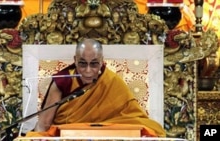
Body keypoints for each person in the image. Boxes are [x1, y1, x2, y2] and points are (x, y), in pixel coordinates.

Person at [27, 38, 166, 137]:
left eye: (94, 64)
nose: (88, 70)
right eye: (82, 64)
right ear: (75, 60)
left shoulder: (111, 81)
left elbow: (134, 118)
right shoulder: (63, 80)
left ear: (101, 61)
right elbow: (43, 124)